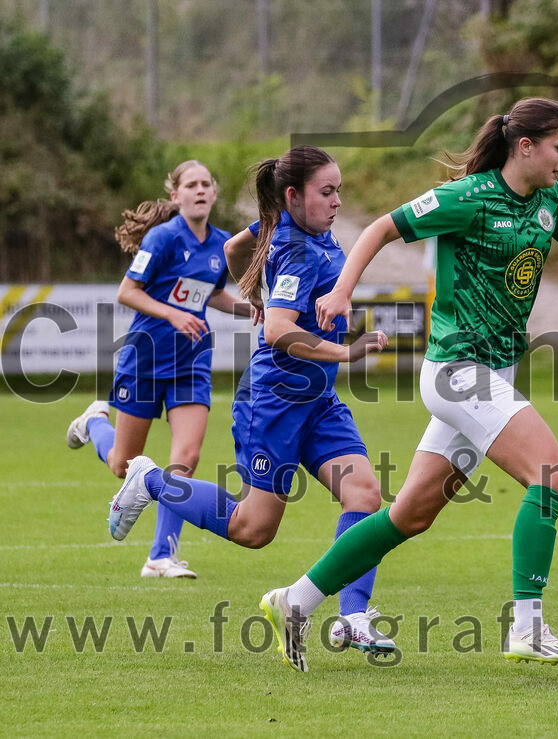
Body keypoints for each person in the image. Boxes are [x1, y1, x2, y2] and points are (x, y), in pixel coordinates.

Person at [255, 97, 558, 672]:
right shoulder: (469, 198)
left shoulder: (550, 201)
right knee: (550, 474)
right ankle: (528, 627)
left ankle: (296, 600)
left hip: (492, 375)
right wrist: (340, 293)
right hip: (458, 372)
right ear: (525, 146)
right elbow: (382, 227)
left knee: (409, 515)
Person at [104, 146, 396, 664]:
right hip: (275, 402)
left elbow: (234, 252)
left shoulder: (287, 228)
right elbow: (281, 330)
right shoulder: (298, 251)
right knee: (253, 529)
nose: (336, 200)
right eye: (326, 191)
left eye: (338, 190)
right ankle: (149, 479)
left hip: (317, 400)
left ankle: (353, 615)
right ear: (293, 195)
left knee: (365, 494)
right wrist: (344, 351)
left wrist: (250, 290)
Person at [66, 160, 252, 578]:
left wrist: (252, 309)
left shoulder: (221, 244)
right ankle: (94, 422)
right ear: (176, 196)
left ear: (215, 193)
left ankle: (160, 555)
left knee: (185, 457)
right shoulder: (163, 237)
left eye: (207, 183)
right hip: (145, 360)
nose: (200, 190)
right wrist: (172, 315)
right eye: (191, 184)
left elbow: (214, 294)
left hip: (191, 361)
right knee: (123, 464)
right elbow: (127, 292)